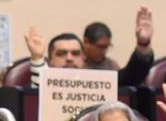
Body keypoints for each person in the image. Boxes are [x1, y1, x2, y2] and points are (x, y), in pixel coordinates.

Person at [25, 7, 154, 88]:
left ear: (83, 58)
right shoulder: (43, 83)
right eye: (61, 53)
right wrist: (37, 57)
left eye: (75, 53)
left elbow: (132, 76)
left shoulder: (98, 82)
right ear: (50, 60)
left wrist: (143, 44)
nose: (69, 58)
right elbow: (39, 89)